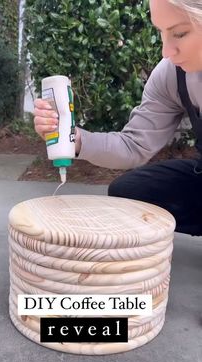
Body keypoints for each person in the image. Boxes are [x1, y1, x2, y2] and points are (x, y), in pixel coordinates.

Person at [34, 0, 202, 236]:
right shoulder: (171, 74)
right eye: (161, 33)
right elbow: (133, 146)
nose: (166, 51)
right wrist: (73, 137)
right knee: (131, 190)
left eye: (179, 33)